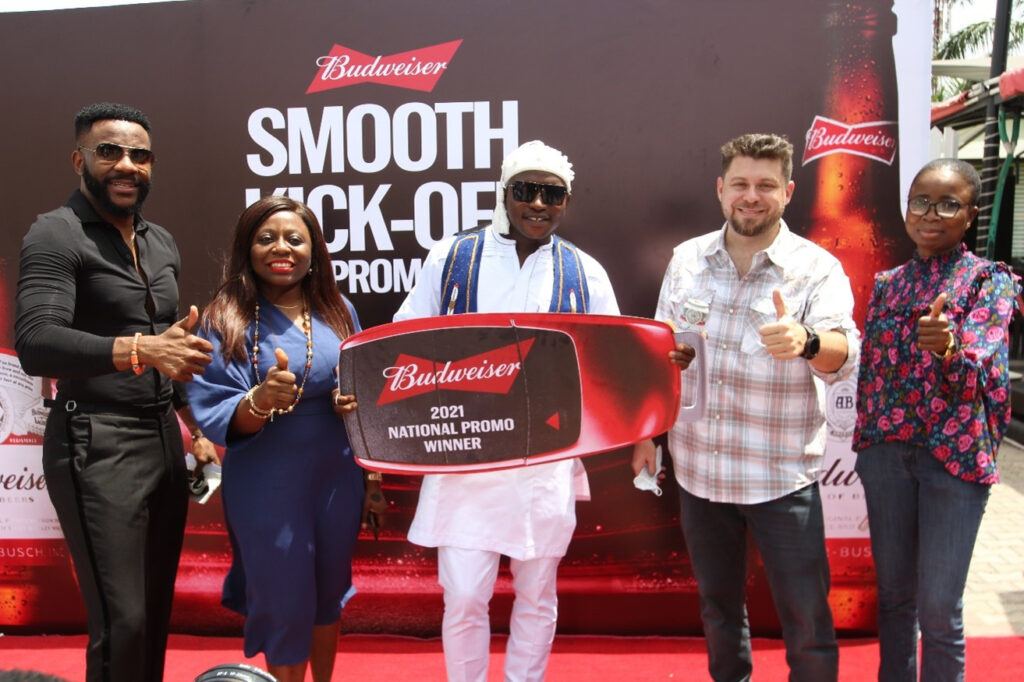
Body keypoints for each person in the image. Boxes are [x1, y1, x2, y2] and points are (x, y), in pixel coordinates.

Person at [633, 133, 860, 682]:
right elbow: (659, 352)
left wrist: (806, 341)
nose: (751, 196)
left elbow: (845, 355)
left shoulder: (817, 268)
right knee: (718, 609)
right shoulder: (687, 259)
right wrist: (646, 433)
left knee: (807, 619)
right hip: (700, 473)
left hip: (781, 478)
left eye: (765, 185)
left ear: (788, 192)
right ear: (720, 189)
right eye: (740, 184)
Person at [393, 140, 619, 681]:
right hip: (465, 457)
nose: (538, 204)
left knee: (537, 593)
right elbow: (404, 340)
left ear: (566, 202)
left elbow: (610, 361)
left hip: (545, 461)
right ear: (504, 192)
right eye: (526, 190)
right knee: (465, 594)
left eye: (551, 194)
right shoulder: (453, 257)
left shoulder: (584, 271)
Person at [14, 102, 217, 682]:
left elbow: (168, 349)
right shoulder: (55, 233)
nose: (127, 165)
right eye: (110, 152)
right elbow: (37, 341)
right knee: (122, 620)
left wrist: (195, 430)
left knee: (152, 616)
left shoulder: (162, 242)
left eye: (140, 155)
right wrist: (139, 349)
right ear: (79, 160)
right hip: (95, 440)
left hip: (162, 441)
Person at [184, 196, 387, 682]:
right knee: (284, 596)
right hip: (266, 478)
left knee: (327, 592)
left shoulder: (338, 309)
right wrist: (259, 400)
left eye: (295, 239)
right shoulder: (224, 318)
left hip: (336, 473)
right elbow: (216, 408)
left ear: (313, 251)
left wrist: (368, 468)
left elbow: (364, 391)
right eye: (266, 238)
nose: (282, 248)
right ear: (247, 249)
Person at [853, 159, 1020, 682]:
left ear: (970, 215)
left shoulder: (991, 282)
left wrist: (948, 348)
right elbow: (872, 371)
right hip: (886, 455)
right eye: (921, 202)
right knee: (894, 600)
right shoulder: (888, 284)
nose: (930, 214)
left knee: (939, 610)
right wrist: (867, 443)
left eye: (948, 204)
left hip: (954, 461)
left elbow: (981, 370)